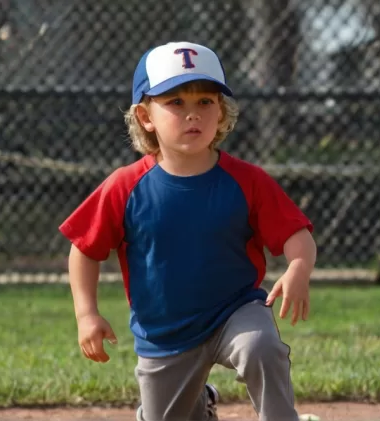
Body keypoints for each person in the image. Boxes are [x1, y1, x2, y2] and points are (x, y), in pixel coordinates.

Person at [58, 41, 317, 421]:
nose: (192, 114)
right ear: (146, 116)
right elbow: (84, 249)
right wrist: (86, 314)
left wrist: (298, 268)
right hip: (165, 330)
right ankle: (200, 403)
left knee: (262, 347)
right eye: (176, 103)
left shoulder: (247, 181)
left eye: (205, 102)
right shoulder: (125, 186)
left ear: (221, 111)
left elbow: (298, 236)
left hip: (236, 309)